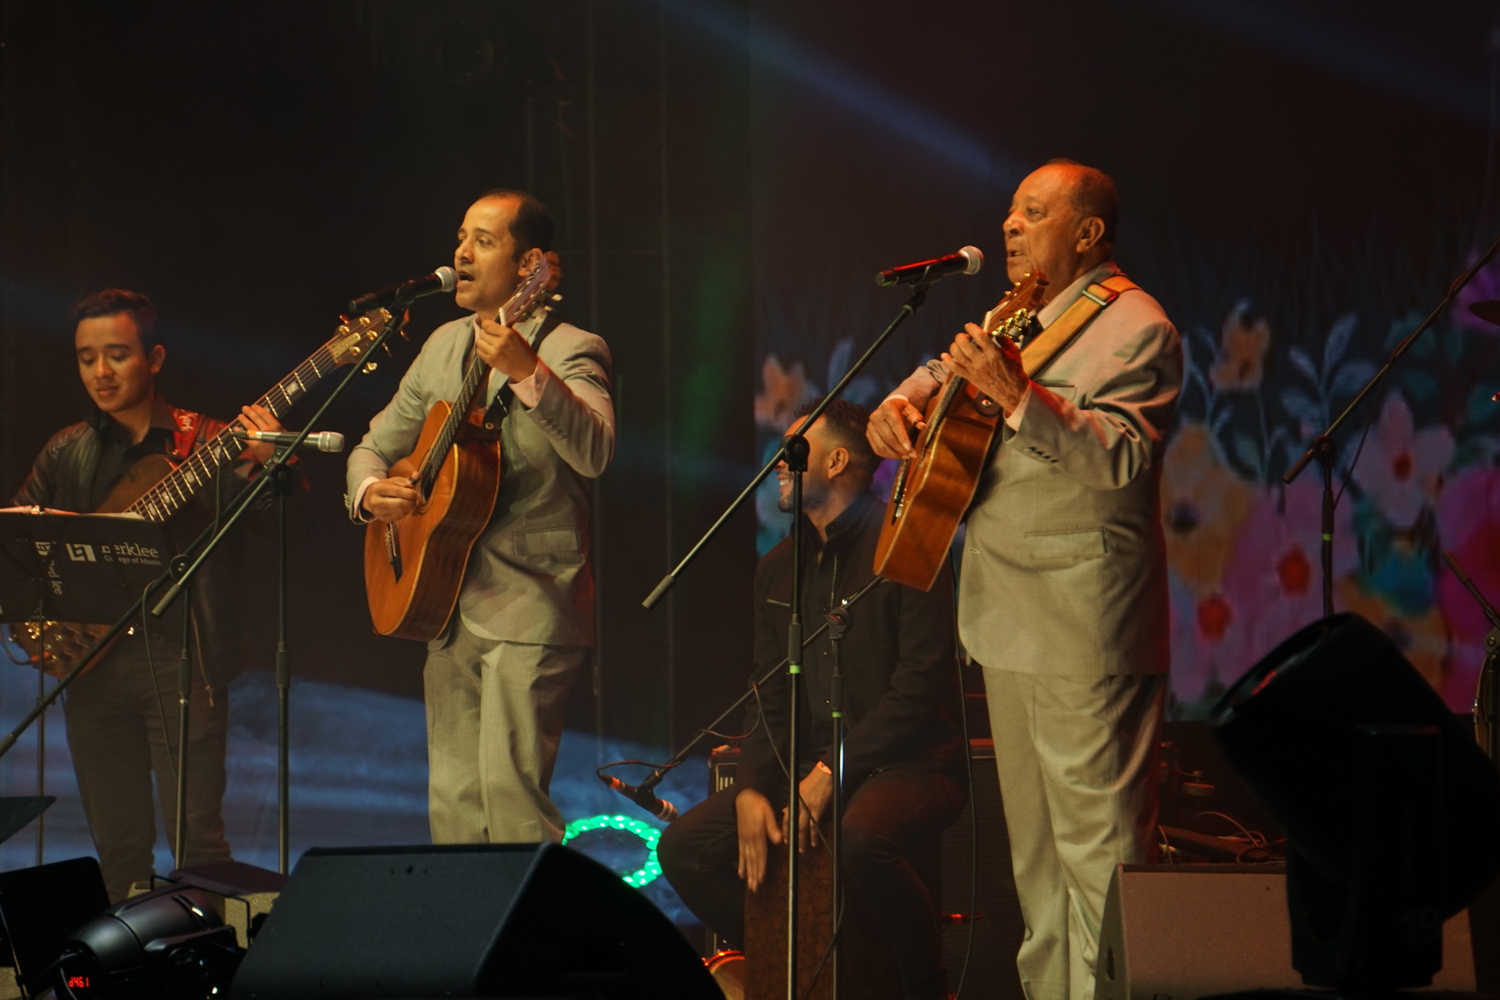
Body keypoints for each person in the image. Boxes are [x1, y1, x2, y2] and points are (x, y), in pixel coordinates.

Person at [866, 159, 1182, 1000]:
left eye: (1033, 212)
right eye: (1010, 211)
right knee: (1038, 872)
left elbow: (1122, 455)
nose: (1010, 225)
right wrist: (893, 408)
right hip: (1008, 619)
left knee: (1103, 860)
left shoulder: (1136, 324)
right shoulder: (1018, 315)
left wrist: (1017, 398)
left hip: (1085, 627)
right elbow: (932, 378)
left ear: (1088, 233)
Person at [659, 398, 966, 1000]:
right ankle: (792, 950)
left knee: (860, 837)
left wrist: (833, 770)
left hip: (909, 764)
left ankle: (926, 987)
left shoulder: (907, 544)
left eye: (793, 449)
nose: (777, 460)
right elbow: (769, 692)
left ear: (839, 459)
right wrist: (750, 786)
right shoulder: (777, 568)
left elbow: (919, 686)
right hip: (809, 766)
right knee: (686, 849)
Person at [346, 189, 614, 844]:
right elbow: (373, 447)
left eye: (483, 241)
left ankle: (533, 944)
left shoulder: (574, 346)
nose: (462, 254)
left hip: (531, 601)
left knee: (512, 801)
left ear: (531, 269)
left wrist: (528, 372)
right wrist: (371, 491)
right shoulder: (441, 345)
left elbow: (596, 450)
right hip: (443, 601)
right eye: (460, 238)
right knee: (456, 806)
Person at [12, 287, 292, 901]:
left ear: (155, 358)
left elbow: (287, 527)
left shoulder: (208, 441)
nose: (100, 372)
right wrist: (41, 620)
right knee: (119, 853)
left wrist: (274, 466)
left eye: (116, 354)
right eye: (87, 358)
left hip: (180, 662)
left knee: (199, 847)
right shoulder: (67, 449)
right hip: (91, 668)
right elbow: (21, 547)